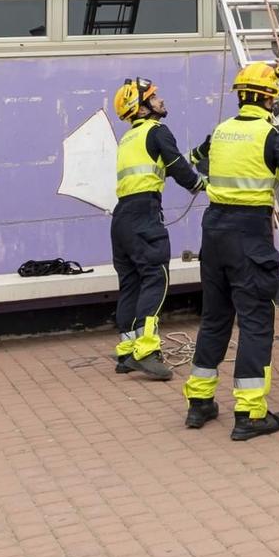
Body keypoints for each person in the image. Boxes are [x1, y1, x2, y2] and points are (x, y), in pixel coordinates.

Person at [184, 62, 279, 440]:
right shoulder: (274, 136)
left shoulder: (221, 131)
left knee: (215, 318)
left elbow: (197, 161)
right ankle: (249, 413)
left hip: (213, 232)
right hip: (249, 234)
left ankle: (199, 403)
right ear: (270, 99)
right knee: (255, 322)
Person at [109, 77, 207, 379]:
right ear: (140, 109)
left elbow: (164, 163)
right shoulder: (157, 130)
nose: (160, 100)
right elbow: (177, 167)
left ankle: (127, 351)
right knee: (155, 277)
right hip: (144, 216)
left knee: (131, 283)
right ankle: (147, 351)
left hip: (122, 218)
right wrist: (200, 184)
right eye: (153, 97)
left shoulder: (130, 138)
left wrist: (201, 153)